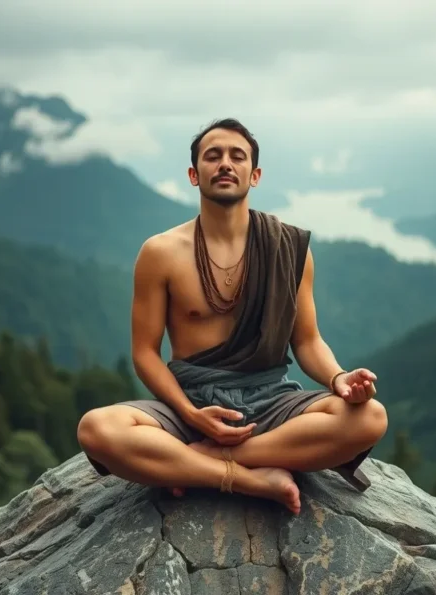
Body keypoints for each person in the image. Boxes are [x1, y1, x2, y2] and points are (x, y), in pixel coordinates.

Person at [77, 118, 388, 515]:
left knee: (370, 418)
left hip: (270, 398)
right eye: (213, 156)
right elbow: (145, 353)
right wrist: (191, 414)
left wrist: (339, 378)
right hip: (190, 402)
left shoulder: (288, 248)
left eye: (237, 156)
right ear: (194, 174)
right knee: (97, 429)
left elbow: (307, 340)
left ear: (254, 174)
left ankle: (201, 461)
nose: (225, 163)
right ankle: (247, 478)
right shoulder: (160, 252)